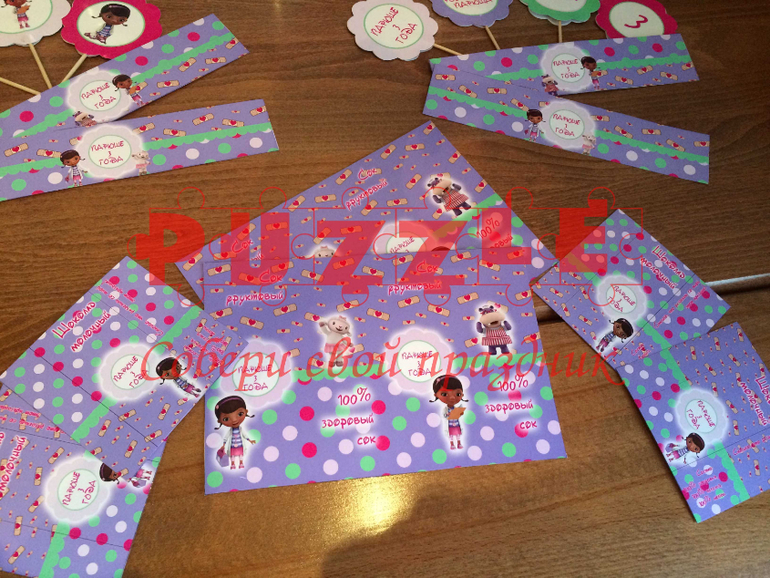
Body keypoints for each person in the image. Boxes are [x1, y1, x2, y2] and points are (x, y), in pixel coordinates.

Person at [214, 395, 256, 470]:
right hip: (232, 446)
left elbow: (245, 435)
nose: (234, 420)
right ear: (219, 421)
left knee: (241, 455)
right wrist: (223, 445)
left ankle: (241, 463)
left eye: (240, 414)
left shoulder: (241, 429)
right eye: (226, 419)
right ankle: (233, 464)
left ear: (246, 411)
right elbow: (226, 438)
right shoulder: (230, 431)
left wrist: (250, 440)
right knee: (232, 456)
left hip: (240, 445)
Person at [429, 375, 468, 450]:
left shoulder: (456, 408)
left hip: (456, 424)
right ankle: (452, 444)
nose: (452, 398)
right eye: (444, 394)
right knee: (451, 436)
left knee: (458, 435)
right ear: (436, 395)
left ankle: (459, 443)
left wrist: (460, 413)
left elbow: (458, 415)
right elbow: (444, 415)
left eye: (458, 394)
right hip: (450, 426)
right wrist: (448, 415)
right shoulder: (445, 409)